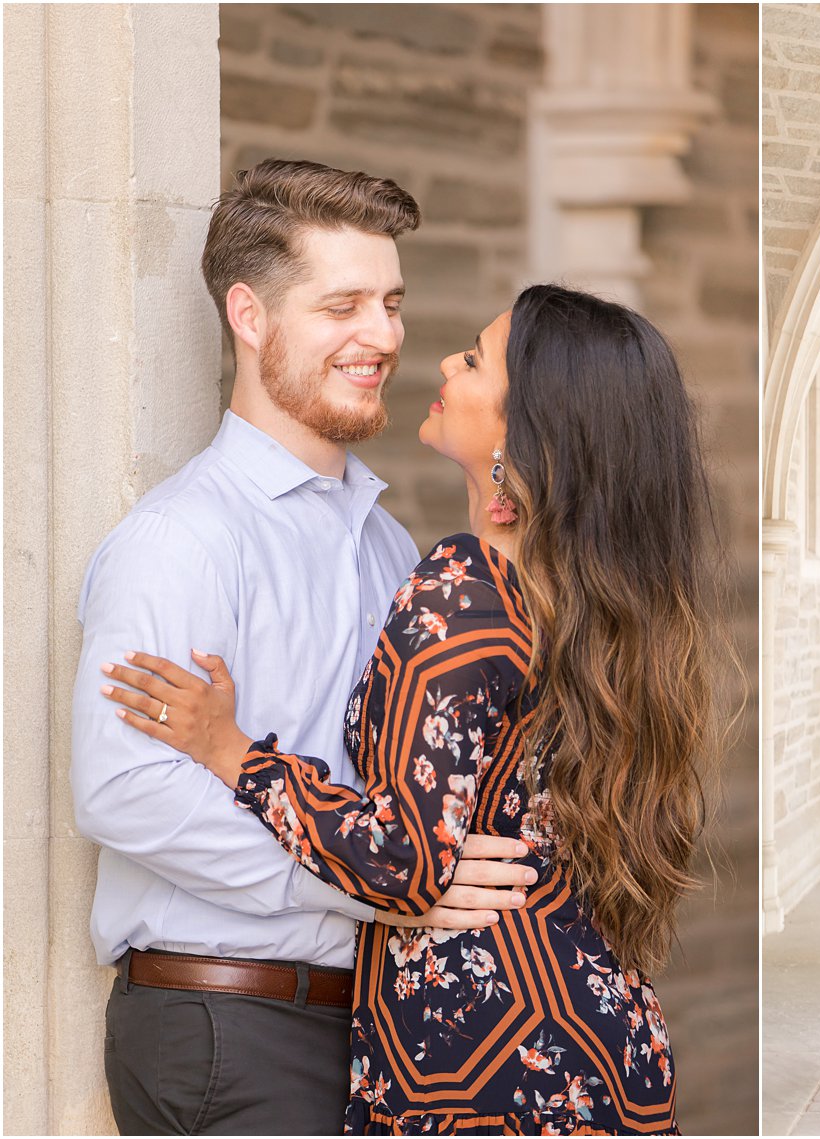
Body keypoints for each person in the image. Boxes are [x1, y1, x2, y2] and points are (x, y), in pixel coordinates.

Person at [102, 283, 726, 1134]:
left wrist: (233, 751)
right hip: (593, 1029)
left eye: (474, 360)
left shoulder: (463, 585)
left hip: (480, 1046)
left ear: (524, 432)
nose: (441, 362)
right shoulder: (577, 604)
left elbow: (404, 861)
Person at [73, 158, 535, 1136]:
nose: (384, 336)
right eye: (343, 306)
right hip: (228, 1021)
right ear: (249, 315)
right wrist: (378, 883)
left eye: (391, 302)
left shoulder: (387, 545)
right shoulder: (183, 539)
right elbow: (124, 789)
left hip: (362, 1021)